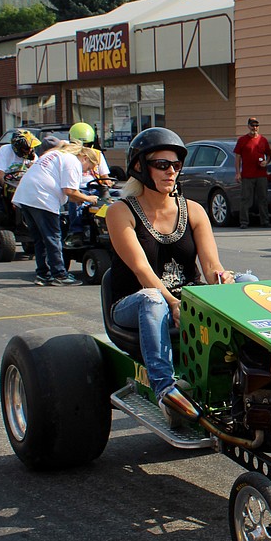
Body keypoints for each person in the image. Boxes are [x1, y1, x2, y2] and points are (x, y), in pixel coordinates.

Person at [107, 128, 248, 422]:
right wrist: (172, 302)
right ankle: (165, 388)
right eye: (162, 165)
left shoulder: (194, 210)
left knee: (250, 285)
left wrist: (225, 281)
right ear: (140, 168)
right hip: (133, 303)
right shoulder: (120, 212)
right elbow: (141, 268)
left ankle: (258, 376)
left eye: (175, 165)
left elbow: (211, 266)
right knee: (152, 300)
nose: (171, 171)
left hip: (186, 300)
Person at [12, 142, 100, 286]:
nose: (86, 172)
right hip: (42, 198)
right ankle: (60, 274)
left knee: (40, 238)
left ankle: (43, 274)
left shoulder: (57, 155)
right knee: (53, 237)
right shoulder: (72, 161)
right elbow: (69, 191)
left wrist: (78, 199)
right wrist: (88, 198)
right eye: (88, 168)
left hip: (26, 196)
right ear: (84, 158)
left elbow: (70, 194)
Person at [0, 130, 39, 223]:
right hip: (2, 179)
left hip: (20, 180)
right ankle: (0, 213)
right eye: (26, 148)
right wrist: (8, 189)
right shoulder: (4, 150)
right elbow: (0, 173)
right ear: (18, 148)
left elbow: (37, 172)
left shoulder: (31, 155)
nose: (29, 150)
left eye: (31, 148)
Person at [234, 116, 271, 229]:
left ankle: (265, 221)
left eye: (256, 125)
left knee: (263, 198)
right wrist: (238, 173)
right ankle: (244, 222)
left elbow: (269, 155)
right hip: (247, 175)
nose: (254, 128)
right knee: (245, 199)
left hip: (261, 174)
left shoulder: (263, 140)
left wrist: (266, 162)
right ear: (248, 126)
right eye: (252, 125)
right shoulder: (242, 140)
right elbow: (237, 157)